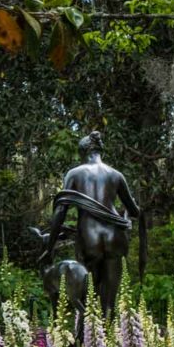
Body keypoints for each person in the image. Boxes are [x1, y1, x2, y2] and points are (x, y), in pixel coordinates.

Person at [42, 131, 140, 324]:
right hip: (115, 236)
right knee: (110, 299)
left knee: (89, 298)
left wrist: (49, 246)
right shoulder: (116, 175)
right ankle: (110, 342)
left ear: (83, 152)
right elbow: (135, 211)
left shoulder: (75, 173)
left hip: (90, 237)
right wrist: (127, 214)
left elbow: (61, 211)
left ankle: (89, 346)